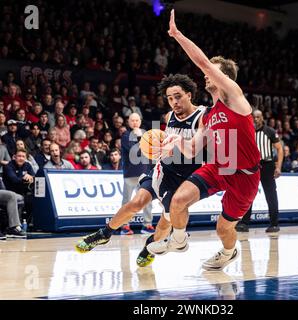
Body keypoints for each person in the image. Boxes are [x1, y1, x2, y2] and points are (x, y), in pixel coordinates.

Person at [147, 10, 261, 272]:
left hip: (244, 175)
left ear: (226, 78)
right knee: (177, 201)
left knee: (223, 228)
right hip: (220, 167)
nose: (206, 75)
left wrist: (177, 35)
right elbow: (192, 150)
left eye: (213, 72)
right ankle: (178, 240)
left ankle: (229, 252)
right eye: (208, 71)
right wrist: (174, 141)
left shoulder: (234, 97)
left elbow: (204, 64)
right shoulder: (209, 115)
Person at [75, 74, 205, 268]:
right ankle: (105, 233)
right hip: (163, 169)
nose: (174, 102)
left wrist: (178, 145)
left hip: (185, 179)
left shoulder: (202, 116)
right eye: (169, 98)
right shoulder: (169, 117)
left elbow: (198, 149)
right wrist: (157, 147)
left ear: (189, 94)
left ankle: (150, 246)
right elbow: (164, 144)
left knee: (164, 222)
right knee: (136, 202)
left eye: (177, 96)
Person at [236, 110, 283, 233]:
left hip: (267, 165)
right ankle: (244, 223)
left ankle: (274, 224)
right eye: (254, 117)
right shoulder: (247, 131)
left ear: (262, 118)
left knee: (270, 194)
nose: (255, 119)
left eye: (258, 117)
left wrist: (278, 167)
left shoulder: (270, 131)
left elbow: (279, 149)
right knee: (247, 194)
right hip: (251, 165)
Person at [119, 113, 153, 235]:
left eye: (137, 120)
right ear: (128, 122)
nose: (135, 122)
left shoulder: (146, 135)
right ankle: (125, 225)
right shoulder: (125, 135)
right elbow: (134, 152)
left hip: (144, 173)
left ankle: (147, 225)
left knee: (147, 199)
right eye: (132, 120)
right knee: (127, 201)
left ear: (140, 121)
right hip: (130, 174)